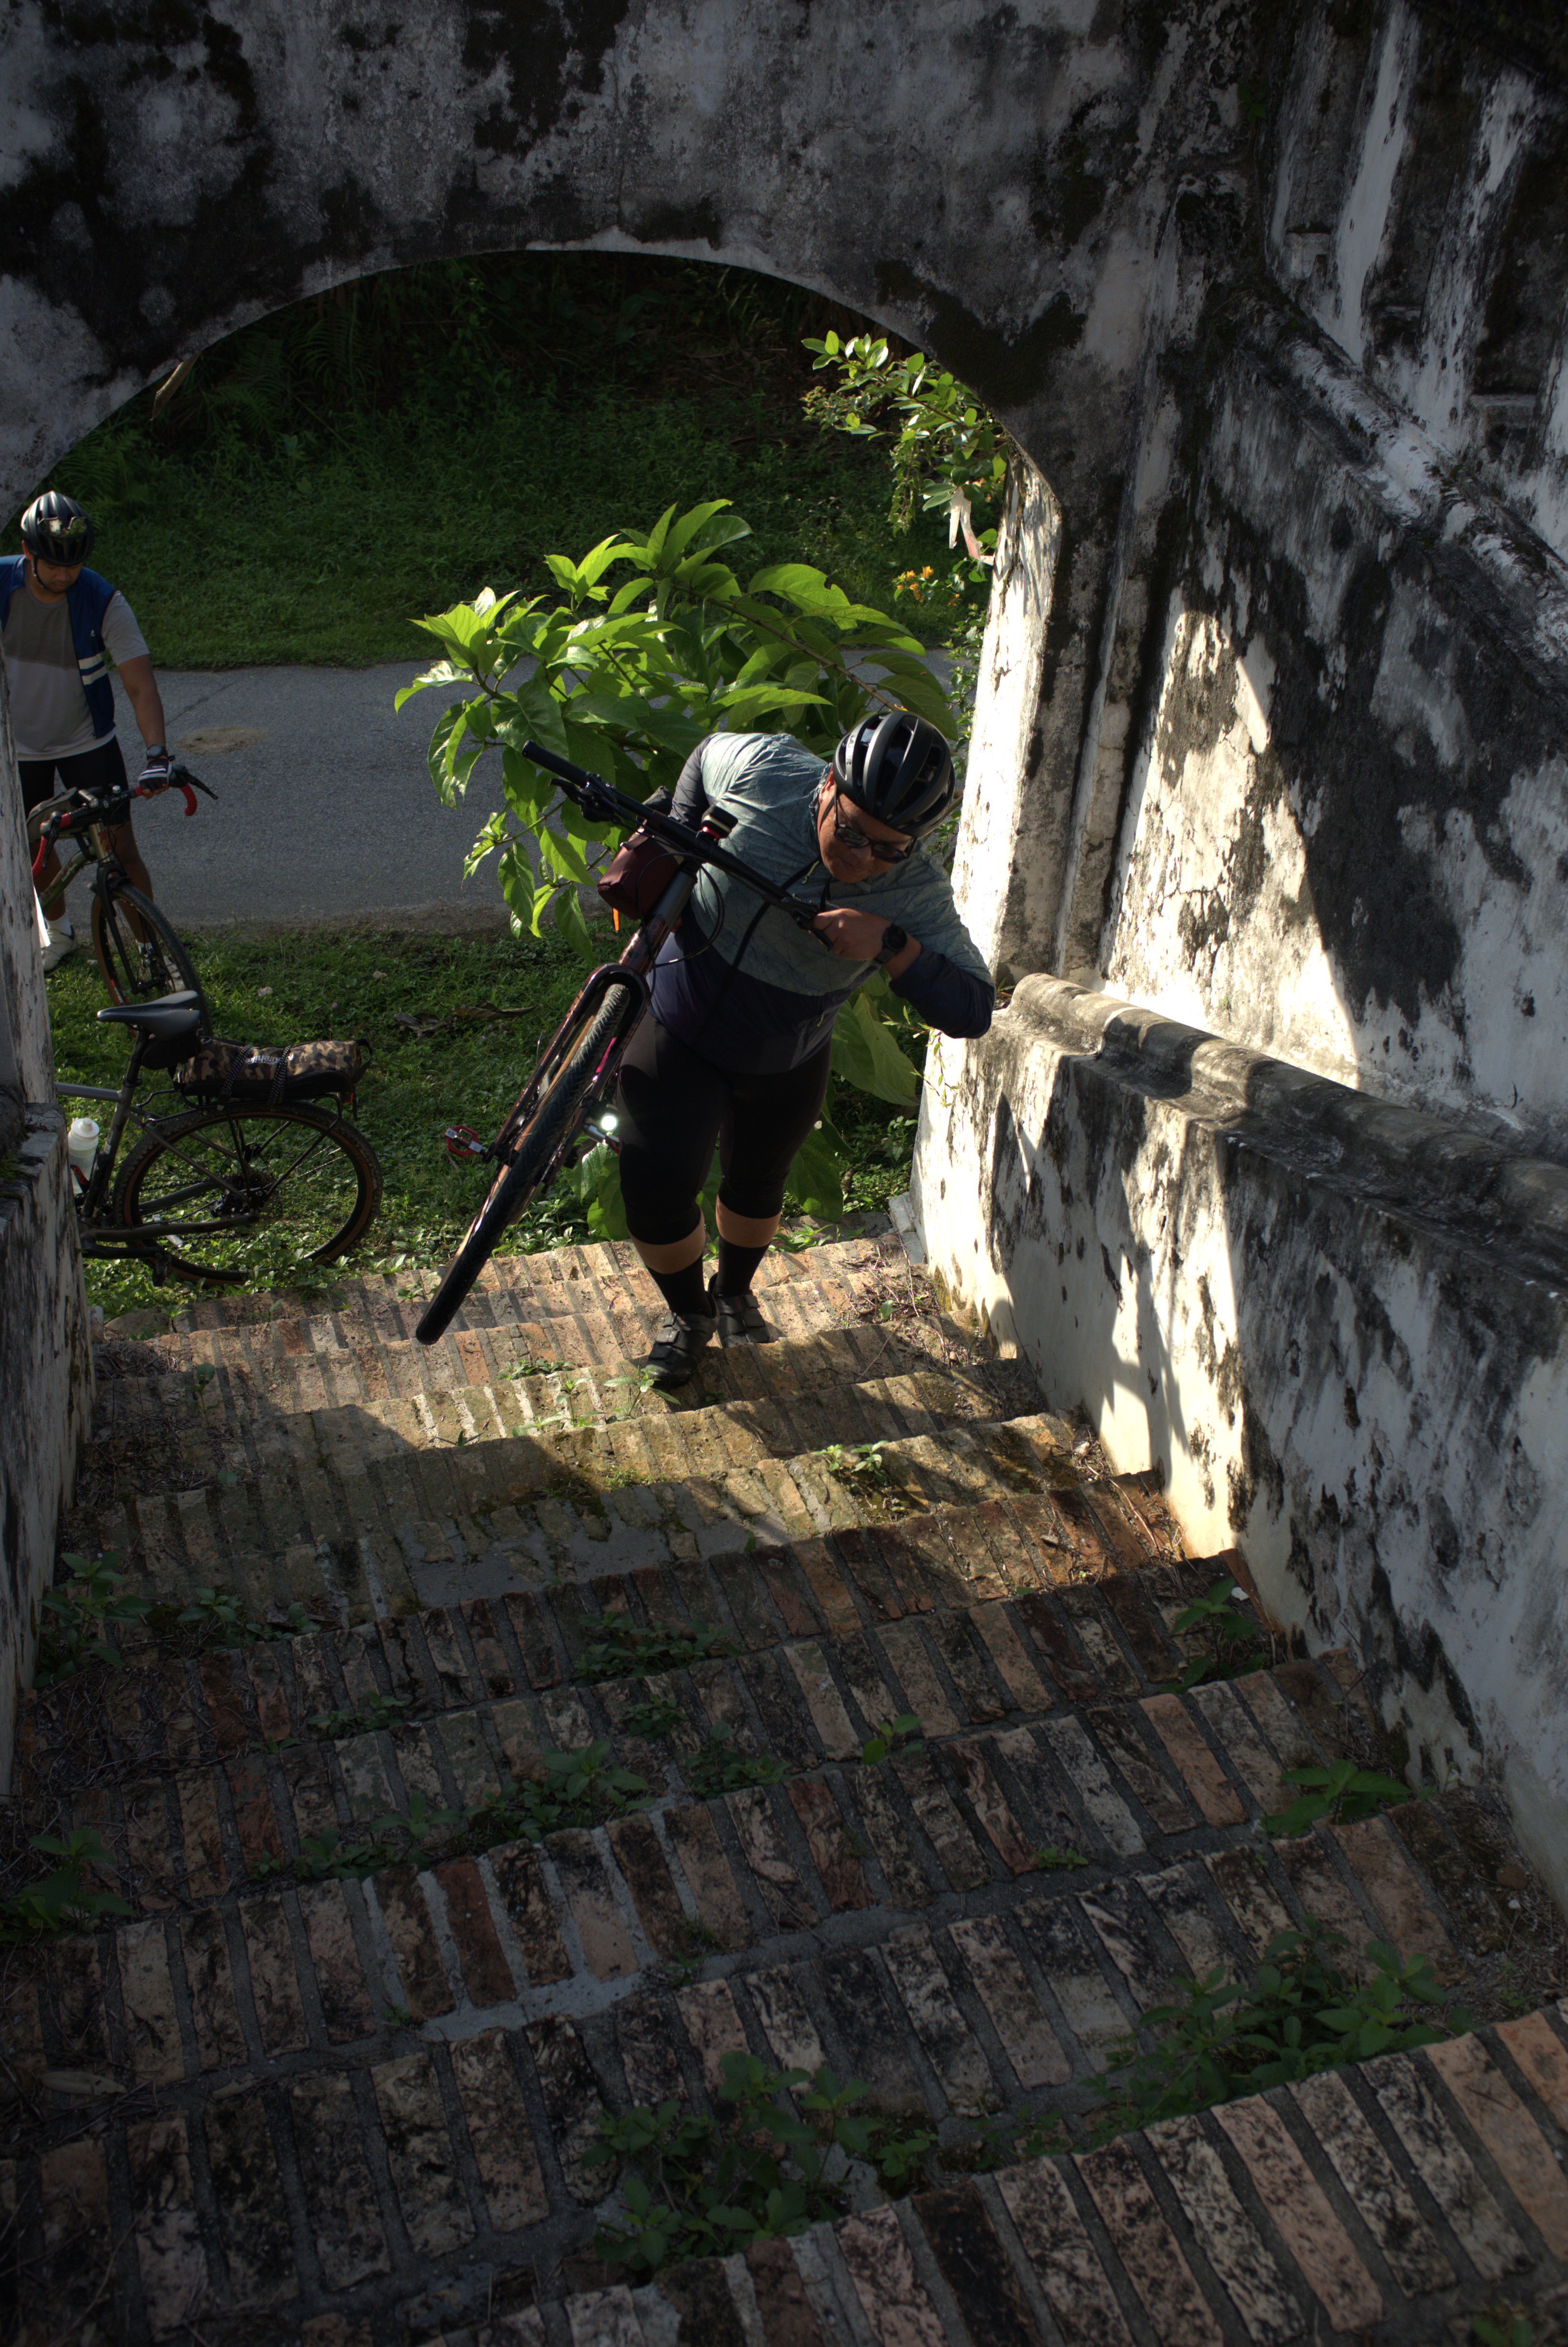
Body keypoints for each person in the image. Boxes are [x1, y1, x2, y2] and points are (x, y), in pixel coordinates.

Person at [616, 708, 994, 1387]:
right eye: (849, 831)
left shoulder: (914, 893)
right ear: (825, 787)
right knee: (654, 1185)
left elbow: (973, 1007)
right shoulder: (764, 773)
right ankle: (689, 1315)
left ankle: (734, 1292)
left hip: (786, 1053)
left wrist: (891, 943)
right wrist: (681, 839)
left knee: (757, 1185)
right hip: (682, 1018)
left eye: (888, 848)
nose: (861, 858)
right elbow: (704, 755)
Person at [0, 491, 174, 968]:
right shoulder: (2, 586)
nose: (64, 576)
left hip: (87, 741)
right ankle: (58, 934)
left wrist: (157, 754)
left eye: (74, 565)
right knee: (33, 848)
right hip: (18, 749)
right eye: (53, 565)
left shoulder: (102, 599)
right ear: (28, 551)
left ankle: (150, 950)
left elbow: (140, 684)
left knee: (121, 849)